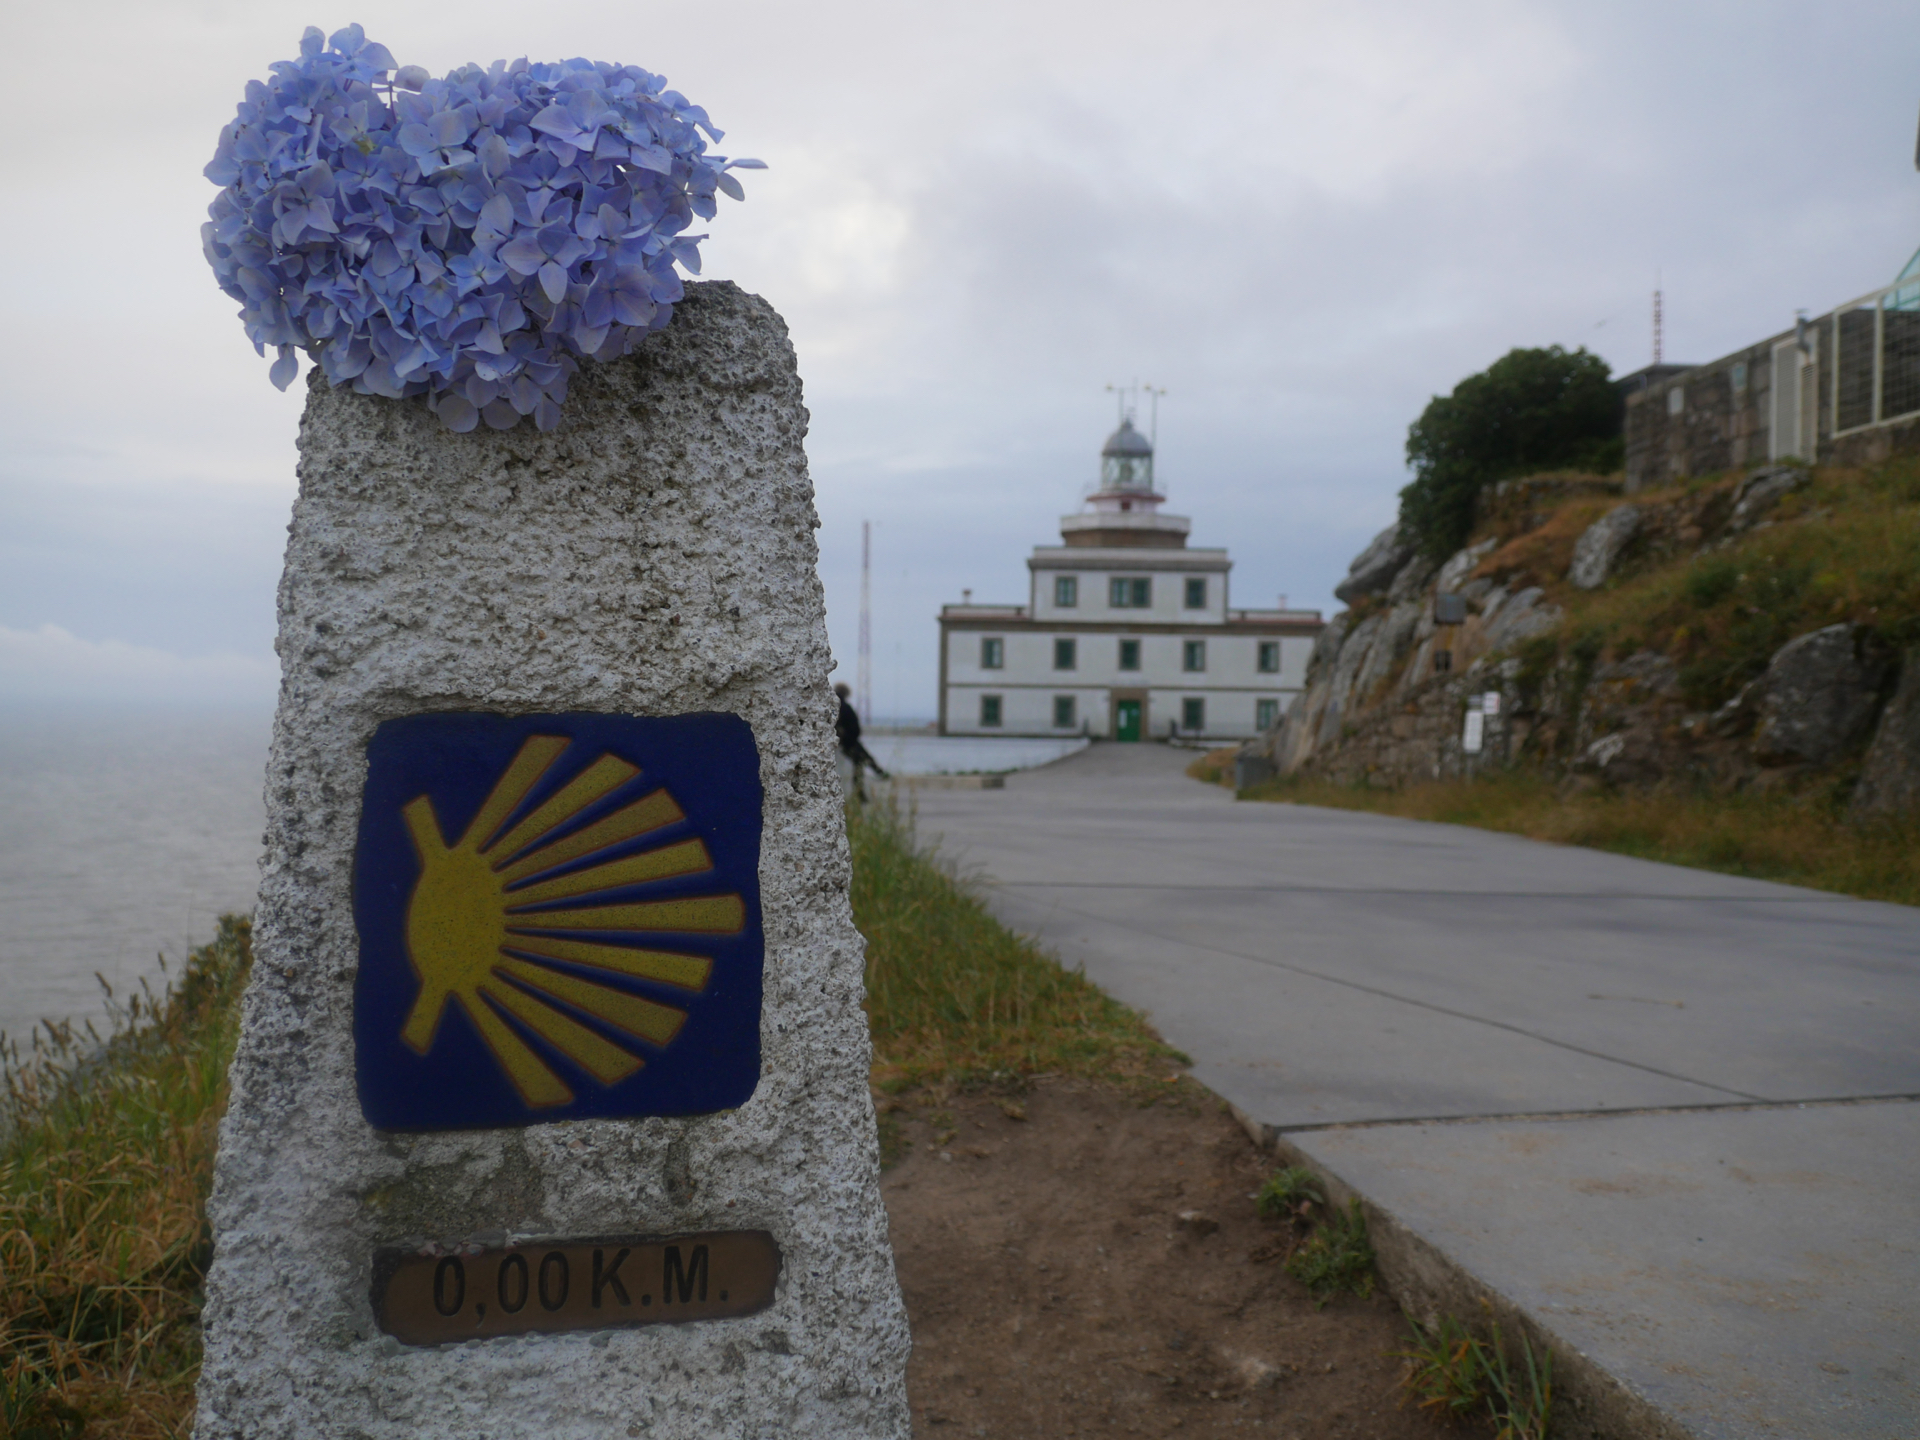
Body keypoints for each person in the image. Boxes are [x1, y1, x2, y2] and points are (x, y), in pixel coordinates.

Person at [833, 682, 889, 799]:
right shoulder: (844, 707)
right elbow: (853, 728)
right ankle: (861, 790)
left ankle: (870, 780)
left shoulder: (834, 705)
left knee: (861, 760)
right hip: (849, 741)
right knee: (861, 761)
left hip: (845, 741)